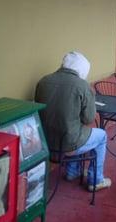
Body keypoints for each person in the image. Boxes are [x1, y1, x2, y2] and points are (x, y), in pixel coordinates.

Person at [35, 51, 111, 192]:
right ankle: (96, 180)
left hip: (45, 142)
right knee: (101, 136)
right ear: (82, 70)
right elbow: (88, 119)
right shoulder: (82, 86)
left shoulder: (43, 81)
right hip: (68, 145)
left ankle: (72, 171)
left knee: (76, 128)